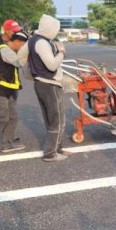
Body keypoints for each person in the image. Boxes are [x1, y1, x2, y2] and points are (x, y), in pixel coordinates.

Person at [27, 14, 69, 162]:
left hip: (42, 83)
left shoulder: (35, 40)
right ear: (49, 29)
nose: (56, 33)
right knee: (56, 119)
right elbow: (51, 65)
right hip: (49, 84)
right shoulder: (42, 43)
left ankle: (57, 148)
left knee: (54, 118)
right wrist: (62, 52)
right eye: (55, 30)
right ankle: (50, 153)